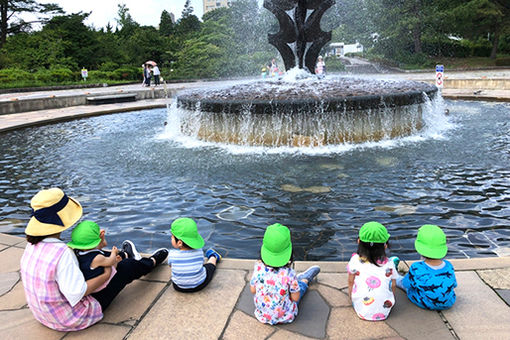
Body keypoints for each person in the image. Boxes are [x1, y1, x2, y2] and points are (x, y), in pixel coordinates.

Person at [19, 188, 169, 331]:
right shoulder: (62, 253)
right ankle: (150, 262)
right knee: (126, 268)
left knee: (90, 255)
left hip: (44, 315)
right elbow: (76, 293)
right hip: (72, 318)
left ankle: (124, 255)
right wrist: (105, 275)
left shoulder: (32, 245)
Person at [250, 223, 320, 325]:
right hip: (285, 316)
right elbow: (295, 298)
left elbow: (253, 290)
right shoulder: (289, 274)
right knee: (298, 289)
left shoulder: (258, 268)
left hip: (262, 315)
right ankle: (305, 280)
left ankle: (300, 281)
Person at [396, 225, 457, 310]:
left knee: (406, 284)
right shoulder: (448, 266)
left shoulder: (416, 267)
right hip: (448, 303)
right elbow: (454, 284)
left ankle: (396, 278)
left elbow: (406, 284)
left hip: (425, 303)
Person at [347, 221, 398, 321]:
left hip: (361, 311)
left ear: (359, 242)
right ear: (385, 246)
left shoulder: (354, 260)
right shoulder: (389, 264)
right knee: (391, 271)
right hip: (385, 311)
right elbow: (393, 285)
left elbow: (350, 282)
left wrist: (350, 297)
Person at [167, 217, 222, 292]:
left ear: (179, 242)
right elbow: (201, 264)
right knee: (209, 267)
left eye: (172, 237)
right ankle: (214, 256)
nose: (171, 238)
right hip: (199, 285)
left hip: (178, 287)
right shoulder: (199, 252)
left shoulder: (172, 254)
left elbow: (170, 266)